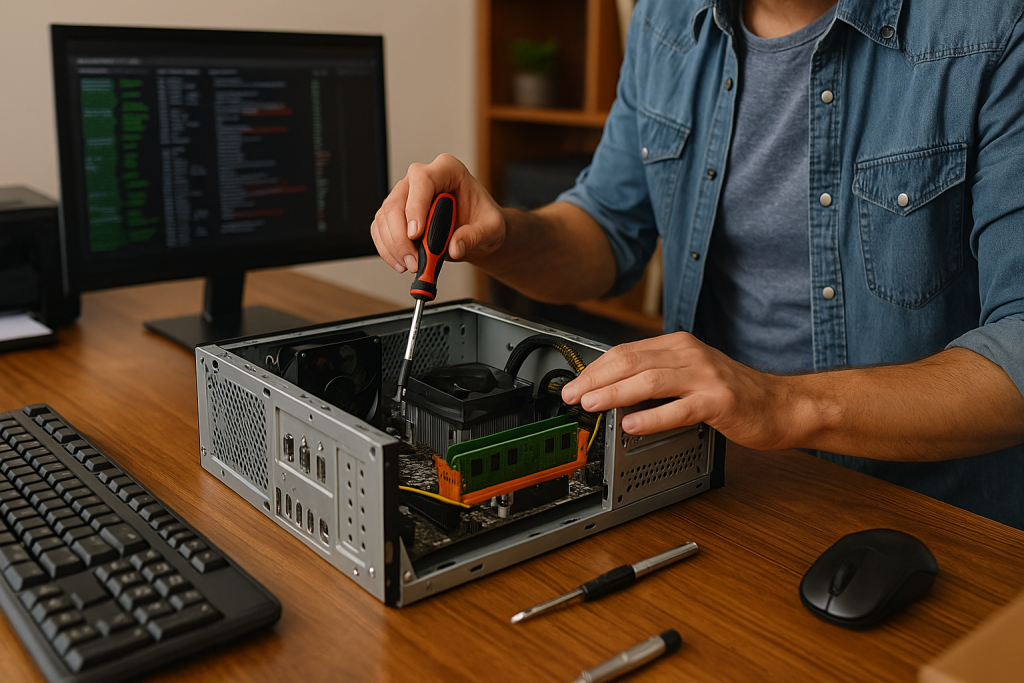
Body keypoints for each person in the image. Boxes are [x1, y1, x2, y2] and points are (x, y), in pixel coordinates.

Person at [371, 0, 1024, 528]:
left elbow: (1017, 350)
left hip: (938, 518)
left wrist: (782, 402)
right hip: (721, 488)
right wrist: (503, 234)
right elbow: (608, 228)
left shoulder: (993, 28)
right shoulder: (665, 19)